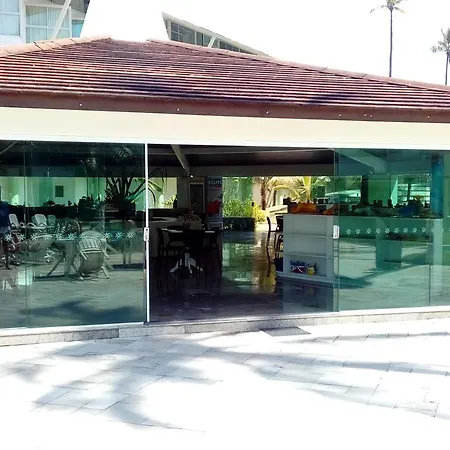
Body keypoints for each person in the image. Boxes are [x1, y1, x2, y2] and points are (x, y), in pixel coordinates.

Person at [0, 199, 11, 269]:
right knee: (5, 244)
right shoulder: (5, 205)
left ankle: (6, 263)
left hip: (5, 226)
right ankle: (6, 263)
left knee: (5, 245)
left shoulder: (5, 205)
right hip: (5, 226)